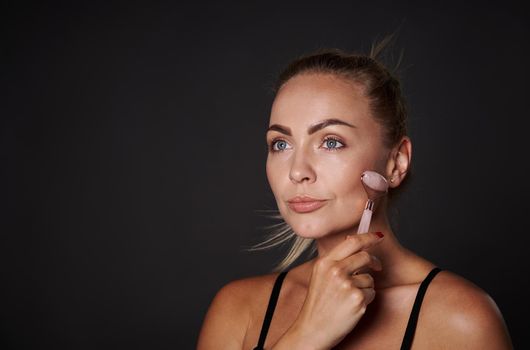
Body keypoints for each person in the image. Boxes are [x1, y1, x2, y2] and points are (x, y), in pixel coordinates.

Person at [197, 42, 513, 349]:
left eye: (331, 141)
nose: (297, 171)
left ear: (396, 162)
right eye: (280, 144)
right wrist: (307, 336)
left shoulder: (462, 320)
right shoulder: (238, 311)